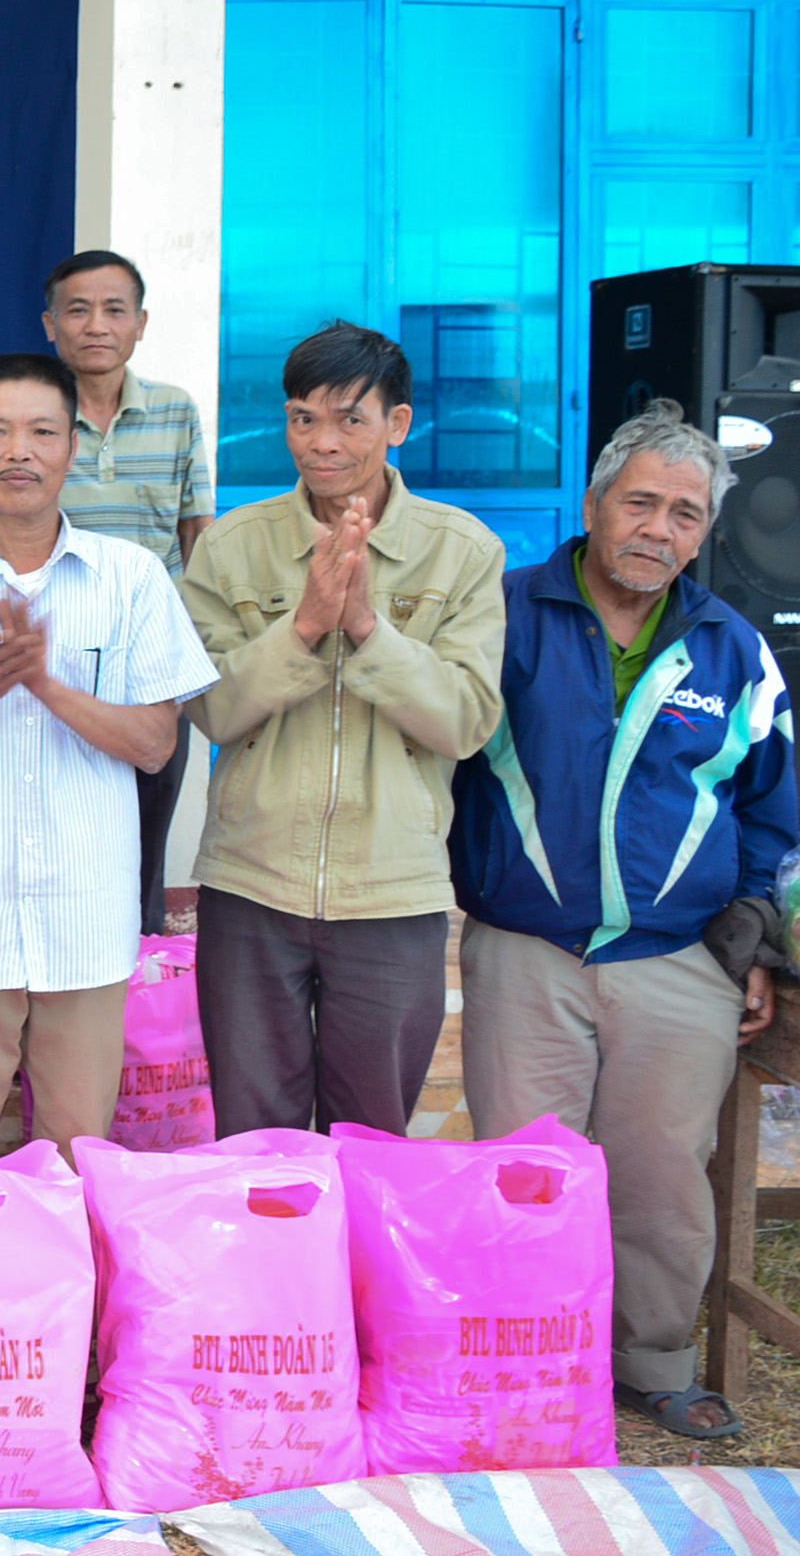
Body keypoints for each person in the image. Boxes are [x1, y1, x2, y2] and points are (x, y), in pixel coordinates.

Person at [451, 400, 797, 1441]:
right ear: (594, 504)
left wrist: (751, 940)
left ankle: (652, 1363)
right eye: (639, 502)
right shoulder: (503, 613)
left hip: (676, 961)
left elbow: (771, 805)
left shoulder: (731, 651)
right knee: (525, 1171)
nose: (658, 529)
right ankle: (525, 1360)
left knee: (659, 1175)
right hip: (525, 949)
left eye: (684, 514)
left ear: (704, 533)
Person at [0, 354, 217, 1166]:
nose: (18, 451)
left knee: (76, 1156)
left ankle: (65, 1299)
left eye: (41, 432)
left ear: (72, 448)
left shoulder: (131, 578)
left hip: (82, 925)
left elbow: (156, 744)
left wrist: (44, 684)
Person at [180, 321, 505, 1136]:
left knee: (372, 1134)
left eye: (349, 419)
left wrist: (365, 626)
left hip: (391, 890)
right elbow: (211, 707)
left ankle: (357, 1269)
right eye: (301, 418)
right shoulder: (231, 548)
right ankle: (276, 1271)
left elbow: (465, 720)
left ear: (397, 424)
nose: (321, 443)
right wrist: (302, 627)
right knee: (257, 1137)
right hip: (249, 882)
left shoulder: (461, 553)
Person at [28, 251, 214, 935]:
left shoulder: (174, 412)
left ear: (139, 324)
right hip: (52, 659)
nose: (96, 325)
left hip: (149, 661)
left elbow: (198, 534)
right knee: (53, 827)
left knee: (146, 831)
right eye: (77, 309)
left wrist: (195, 652)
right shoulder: (27, 411)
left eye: (114, 310)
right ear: (51, 324)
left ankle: (134, 989)